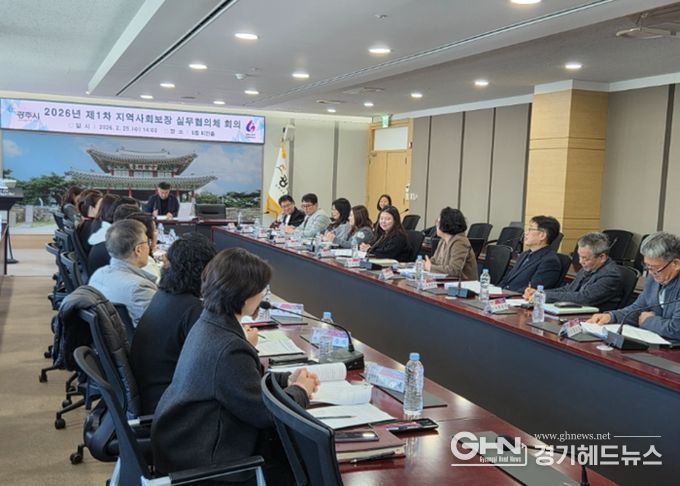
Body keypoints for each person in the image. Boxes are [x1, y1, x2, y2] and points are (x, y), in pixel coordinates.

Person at [151, 248, 319, 484]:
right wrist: (300, 391)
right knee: (304, 467)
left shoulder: (208, 322)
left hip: (183, 445)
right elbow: (267, 415)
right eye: (262, 290)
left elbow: (242, 385)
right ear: (245, 295)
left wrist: (285, 380)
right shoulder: (228, 348)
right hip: (208, 462)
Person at [131, 234, 217, 415]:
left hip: (154, 394)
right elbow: (214, 366)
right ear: (204, 271)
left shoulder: (163, 296)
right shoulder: (192, 310)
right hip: (172, 406)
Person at [589, 232, 680, 339]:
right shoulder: (654, 278)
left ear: (676, 264)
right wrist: (611, 317)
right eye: (647, 266)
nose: (650, 273)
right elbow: (638, 308)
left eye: (655, 268)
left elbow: (676, 329)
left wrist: (647, 321)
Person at [524, 232, 623, 311]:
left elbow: (584, 298)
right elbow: (569, 289)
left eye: (585, 258)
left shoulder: (611, 275)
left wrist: (545, 296)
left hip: (594, 319)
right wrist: (539, 293)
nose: (580, 261)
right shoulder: (587, 267)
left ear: (602, 257)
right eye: (580, 256)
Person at [88, 220, 157, 327]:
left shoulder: (97, 275)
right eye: (147, 242)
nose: (149, 246)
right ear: (138, 250)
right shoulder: (140, 288)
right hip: (137, 337)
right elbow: (160, 327)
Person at [499, 216, 562, 292]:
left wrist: (507, 294)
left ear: (542, 235)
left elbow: (532, 290)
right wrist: (497, 291)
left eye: (530, 229)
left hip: (518, 297)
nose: (525, 233)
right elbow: (507, 280)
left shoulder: (550, 261)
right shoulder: (524, 254)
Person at [424, 207, 478, 280]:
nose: (436, 225)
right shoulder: (443, 240)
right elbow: (435, 261)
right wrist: (424, 264)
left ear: (446, 224)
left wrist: (431, 267)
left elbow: (454, 270)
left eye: (438, 222)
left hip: (463, 284)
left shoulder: (460, 242)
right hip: (447, 282)